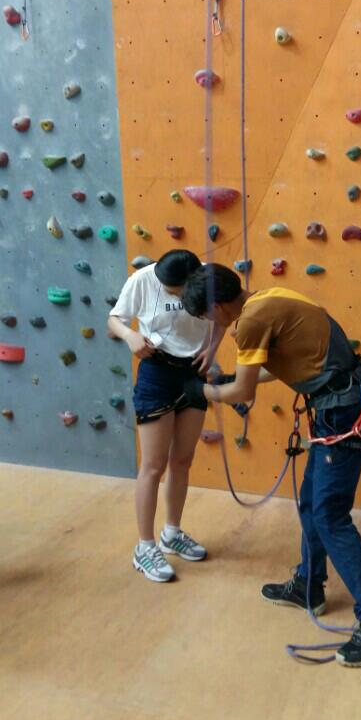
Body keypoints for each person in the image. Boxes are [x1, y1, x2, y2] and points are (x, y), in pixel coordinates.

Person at [180, 264, 361, 667]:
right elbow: (276, 366)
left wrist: (204, 392)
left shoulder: (249, 323)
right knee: (311, 503)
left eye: (207, 316)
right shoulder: (268, 297)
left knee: (330, 515)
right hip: (340, 400)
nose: (211, 323)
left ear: (217, 306)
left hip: (340, 410)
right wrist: (227, 378)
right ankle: (308, 584)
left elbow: (243, 391)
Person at [107, 250, 224, 583]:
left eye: (177, 291)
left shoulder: (206, 278)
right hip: (157, 373)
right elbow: (113, 321)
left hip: (194, 372)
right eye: (169, 290)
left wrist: (212, 348)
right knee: (153, 465)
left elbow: (225, 316)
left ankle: (171, 533)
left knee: (182, 460)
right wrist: (130, 335)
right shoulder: (143, 279)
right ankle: (144, 547)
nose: (173, 295)